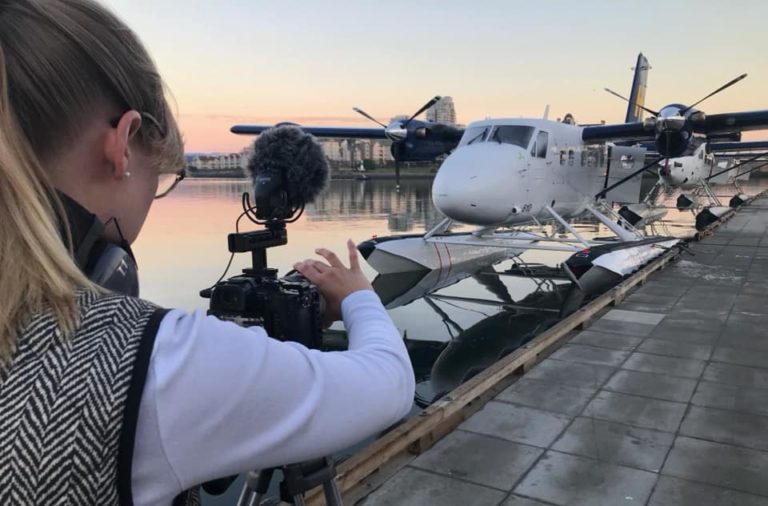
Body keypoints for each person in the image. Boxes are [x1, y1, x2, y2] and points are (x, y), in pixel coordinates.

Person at [0, 1, 415, 505]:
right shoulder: (155, 361)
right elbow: (391, 384)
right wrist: (358, 297)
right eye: (162, 180)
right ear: (122, 144)